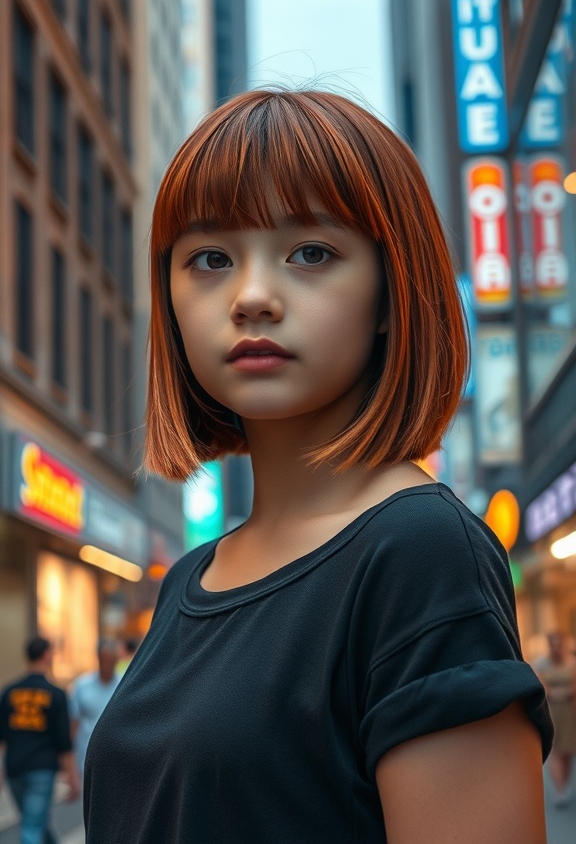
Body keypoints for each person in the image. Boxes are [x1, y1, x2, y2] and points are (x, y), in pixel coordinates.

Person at [84, 89, 553, 843]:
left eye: (311, 252)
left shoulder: (419, 552)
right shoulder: (188, 580)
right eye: (209, 258)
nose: (253, 297)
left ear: (390, 293)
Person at [0, 636, 80, 844]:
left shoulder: (9, 692)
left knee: (36, 821)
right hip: (42, 768)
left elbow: (1, 737)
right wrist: (72, 777)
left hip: (14, 767)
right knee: (32, 826)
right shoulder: (55, 694)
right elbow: (64, 740)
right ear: (46, 655)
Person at [68, 639, 120, 779]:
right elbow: (74, 723)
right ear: (98, 658)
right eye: (105, 659)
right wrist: (70, 764)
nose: (108, 664)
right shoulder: (82, 685)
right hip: (85, 757)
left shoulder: (124, 686)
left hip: (116, 757)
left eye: (111, 659)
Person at [535, 631, 576, 805]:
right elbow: (542, 687)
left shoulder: (572, 662)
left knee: (567, 751)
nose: (556, 647)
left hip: (570, 711)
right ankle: (559, 790)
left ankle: (565, 786)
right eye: (553, 644)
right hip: (551, 710)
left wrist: (565, 692)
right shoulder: (541, 663)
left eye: (559, 644)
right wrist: (553, 693)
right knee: (556, 750)